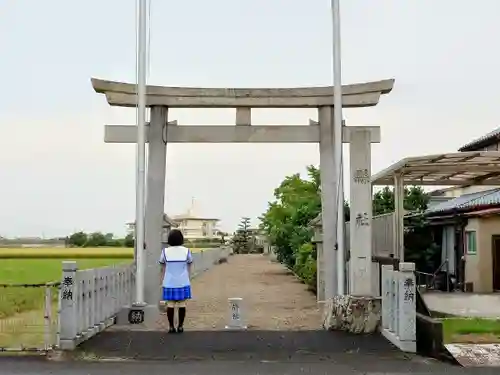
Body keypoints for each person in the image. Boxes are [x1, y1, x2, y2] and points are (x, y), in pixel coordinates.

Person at [158, 229, 193, 333]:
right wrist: (188, 277)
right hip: (183, 281)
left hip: (169, 282)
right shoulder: (186, 251)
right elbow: (190, 264)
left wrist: (161, 280)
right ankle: (181, 326)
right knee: (182, 304)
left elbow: (162, 267)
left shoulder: (165, 251)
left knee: (170, 304)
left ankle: (171, 326)